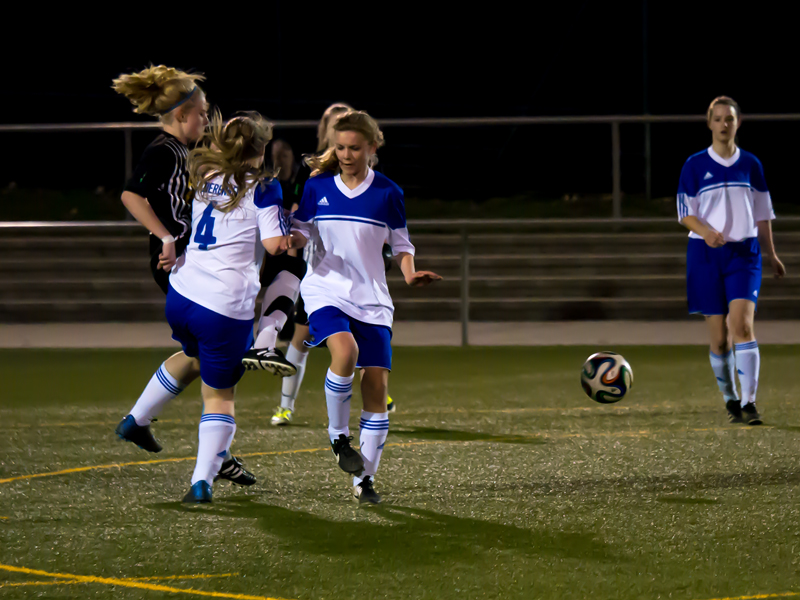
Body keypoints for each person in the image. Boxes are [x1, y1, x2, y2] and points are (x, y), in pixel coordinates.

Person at [117, 111, 293, 503]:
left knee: (193, 357)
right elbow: (273, 246)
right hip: (223, 307)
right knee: (220, 396)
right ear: (261, 149)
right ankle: (202, 482)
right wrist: (293, 232)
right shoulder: (264, 188)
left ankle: (137, 418)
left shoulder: (207, 175)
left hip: (183, 293)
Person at [290, 110, 441, 504]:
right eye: (339, 147)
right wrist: (292, 238)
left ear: (372, 148)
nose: (345, 154)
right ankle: (339, 437)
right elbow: (302, 230)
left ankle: (364, 480)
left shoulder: (388, 192)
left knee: (376, 387)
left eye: (354, 148)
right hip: (325, 290)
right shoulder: (317, 186)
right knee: (345, 350)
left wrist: (408, 274)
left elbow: (402, 244)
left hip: (372, 299)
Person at [269, 103, 397, 426]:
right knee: (301, 335)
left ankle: (376, 389)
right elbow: (300, 216)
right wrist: (295, 251)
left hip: (357, 276)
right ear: (324, 129)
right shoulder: (314, 175)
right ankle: (286, 405)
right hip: (321, 271)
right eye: (332, 121)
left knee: (363, 337)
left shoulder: (369, 172)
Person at [677, 96, 785, 425]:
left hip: (744, 253)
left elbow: (763, 215)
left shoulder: (751, 164)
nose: (724, 124)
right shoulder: (694, 165)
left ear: (739, 123)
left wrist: (772, 254)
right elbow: (685, 214)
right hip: (705, 255)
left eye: (730, 118)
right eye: (719, 118)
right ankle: (730, 400)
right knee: (720, 338)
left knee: (742, 326)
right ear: (709, 123)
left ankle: (750, 404)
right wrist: (707, 232)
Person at [112, 65, 209, 293]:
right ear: (182, 115)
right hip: (173, 255)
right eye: (202, 113)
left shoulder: (183, 150)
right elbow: (131, 195)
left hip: (188, 250)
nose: (206, 119)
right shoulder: (163, 150)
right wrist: (166, 238)